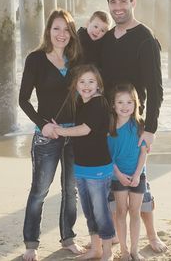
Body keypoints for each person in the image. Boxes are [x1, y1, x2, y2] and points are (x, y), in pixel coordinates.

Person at [100, 0, 167, 253]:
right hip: (110, 122)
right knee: (113, 184)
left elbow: (156, 88)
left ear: (132, 2)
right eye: (113, 2)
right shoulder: (106, 39)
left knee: (140, 183)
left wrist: (150, 128)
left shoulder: (145, 39)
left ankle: (151, 235)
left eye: (122, 1)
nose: (118, 7)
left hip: (134, 122)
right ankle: (118, 233)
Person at [19, 8, 84, 261]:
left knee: (71, 190)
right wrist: (43, 124)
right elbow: (23, 100)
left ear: (71, 33)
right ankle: (31, 243)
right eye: (56, 28)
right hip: (47, 136)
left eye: (66, 29)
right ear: (48, 30)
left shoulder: (76, 59)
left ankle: (68, 237)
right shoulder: (35, 59)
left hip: (74, 134)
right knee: (39, 190)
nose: (61, 34)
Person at [54, 64, 115, 261]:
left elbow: (84, 129)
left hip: (98, 168)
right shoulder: (82, 102)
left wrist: (60, 131)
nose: (86, 85)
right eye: (82, 81)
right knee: (89, 211)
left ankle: (107, 252)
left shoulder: (99, 103)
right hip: (81, 166)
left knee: (101, 212)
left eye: (91, 81)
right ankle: (95, 249)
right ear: (76, 84)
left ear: (99, 85)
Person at [108, 83, 147, 261]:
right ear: (113, 105)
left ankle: (134, 250)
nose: (125, 106)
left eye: (129, 102)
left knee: (135, 212)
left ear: (135, 104)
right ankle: (123, 250)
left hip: (138, 174)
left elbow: (143, 153)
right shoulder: (109, 127)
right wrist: (119, 175)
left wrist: (138, 174)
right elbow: (107, 156)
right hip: (118, 176)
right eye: (120, 102)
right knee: (121, 212)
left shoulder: (140, 125)